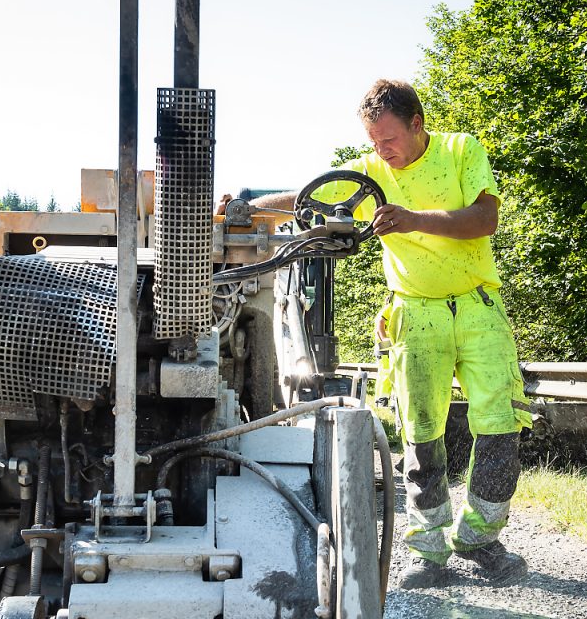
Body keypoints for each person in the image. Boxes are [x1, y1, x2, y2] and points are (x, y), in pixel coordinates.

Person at [228, 79, 533, 589]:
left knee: (500, 423)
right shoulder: (369, 172)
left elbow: (485, 219)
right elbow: (309, 196)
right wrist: (248, 208)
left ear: (417, 124)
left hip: (478, 305)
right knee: (421, 429)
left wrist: (412, 219)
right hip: (414, 313)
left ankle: (481, 538)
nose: (380, 150)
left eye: (388, 139)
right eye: (372, 141)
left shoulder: (461, 150)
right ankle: (429, 551)